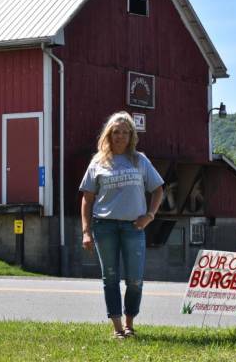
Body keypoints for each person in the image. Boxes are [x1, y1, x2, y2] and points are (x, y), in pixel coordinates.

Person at [79, 111, 164, 339]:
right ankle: (117, 329)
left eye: (125, 132)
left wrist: (150, 215)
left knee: (135, 280)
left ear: (131, 136)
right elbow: (87, 199)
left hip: (133, 228)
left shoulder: (140, 160)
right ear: (109, 134)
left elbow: (158, 190)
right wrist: (86, 231)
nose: (120, 136)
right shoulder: (98, 162)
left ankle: (129, 324)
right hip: (104, 227)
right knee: (111, 278)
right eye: (116, 132)